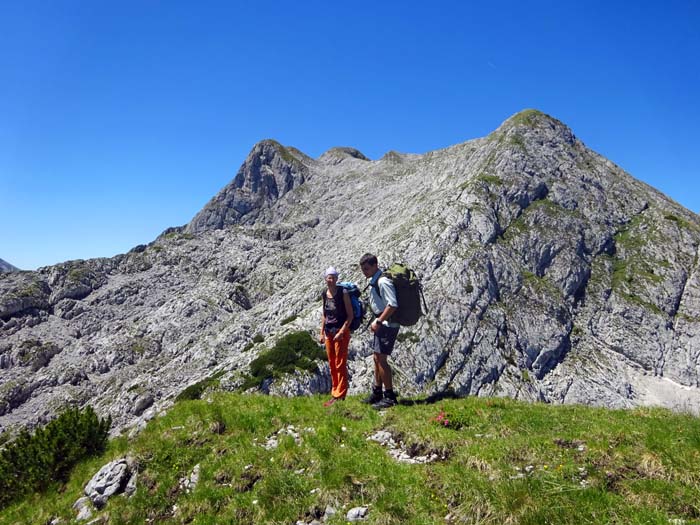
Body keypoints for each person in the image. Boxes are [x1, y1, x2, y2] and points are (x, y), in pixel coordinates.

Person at [359, 253, 400, 409]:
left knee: (382, 359)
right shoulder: (374, 280)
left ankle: (389, 397)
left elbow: (392, 305)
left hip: (387, 325)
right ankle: (377, 393)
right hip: (382, 324)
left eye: (367, 269)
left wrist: (379, 320)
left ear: (375, 265)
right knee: (376, 358)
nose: (365, 272)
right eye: (363, 269)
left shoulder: (382, 281)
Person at [319, 266, 353, 407]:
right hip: (329, 332)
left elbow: (350, 316)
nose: (330, 280)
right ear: (326, 279)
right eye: (328, 277)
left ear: (337, 279)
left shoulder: (342, 293)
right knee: (332, 364)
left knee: (340, 363)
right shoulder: (324, 294)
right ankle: (335, 393)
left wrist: (341, 332)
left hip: (340, 332)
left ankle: (340, 395)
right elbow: (324, 314)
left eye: (333, 277)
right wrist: (321, 332)